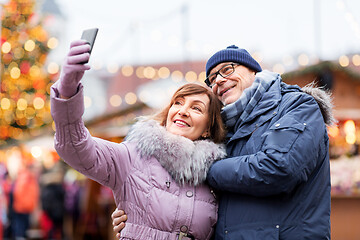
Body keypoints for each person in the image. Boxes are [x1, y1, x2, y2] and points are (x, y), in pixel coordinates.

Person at [113, 45, 335, 239]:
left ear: (253, 71)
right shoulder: (222, 130)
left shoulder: (296, 106)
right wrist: (140, 212)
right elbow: (193, 198)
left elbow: (278, 168)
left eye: (227, 69)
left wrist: (205, 168)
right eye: (212, 78)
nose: (218, 80)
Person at [50, 39, 227, 240]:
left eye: (196, 108)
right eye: (178, 103)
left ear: (207, 129)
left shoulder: (216, 175)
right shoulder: (133, 155)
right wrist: (67, 93)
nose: (183, 111)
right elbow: (76, 147)